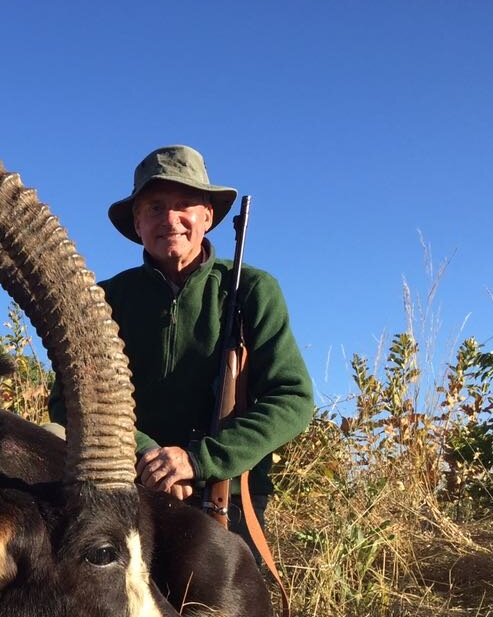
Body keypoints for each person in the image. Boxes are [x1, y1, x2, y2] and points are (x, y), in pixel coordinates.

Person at [50, 145, 314, 548]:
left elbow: (293, 398)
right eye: (154, 207)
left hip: (226, 494)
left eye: (184, 205)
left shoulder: (253, 290)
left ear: (207, 216)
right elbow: (67, 402)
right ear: (137, 222)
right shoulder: (101, 300)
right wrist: (144, 455)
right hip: (127, 489)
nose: (170, 220)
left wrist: (198, 460)